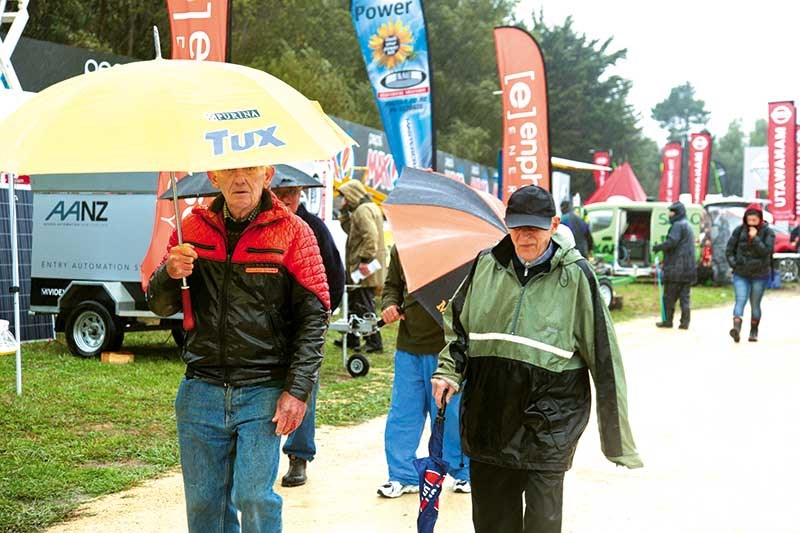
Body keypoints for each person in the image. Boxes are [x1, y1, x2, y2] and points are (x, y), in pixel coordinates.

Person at [431, 185, 642, 533]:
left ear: (554, 224)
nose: (525, 235)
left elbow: (605, 360)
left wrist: (617, 440)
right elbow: (458, 329)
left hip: (549, 420)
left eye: (535, 227)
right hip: (490, 415)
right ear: (506, 223)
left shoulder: (577, 276)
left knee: (543, 523)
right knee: (492, 522)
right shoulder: (485, 265)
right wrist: (449, 371)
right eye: (517, 226)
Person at [147, 165, 330, 533]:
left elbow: (315, 318)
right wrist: (170, 272)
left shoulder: (295, 232)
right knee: (204, 507)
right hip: (201, 389)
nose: (240, 179)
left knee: (253, 497)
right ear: (214, 177)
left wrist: (297, 390)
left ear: (268, 174)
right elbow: (160, 305)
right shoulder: (191, 230)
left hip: (263, 390)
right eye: (229, 171)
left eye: (250, 169)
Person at [377, 245, 470, 498]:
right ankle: (402, 474)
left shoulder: (462, 249)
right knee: (403, 413)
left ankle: (464, 472)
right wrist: (390, 304)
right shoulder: (403, 247)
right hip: (409, 346)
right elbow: (392, 287)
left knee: (452, 413)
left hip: (448, 348)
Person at [272, 173, 346, 488]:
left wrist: (324, 313)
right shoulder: (259, 227)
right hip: (267, 327)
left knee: (304, 389)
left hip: (304, 325)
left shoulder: (315, 228)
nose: (287, 198)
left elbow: (335, 275)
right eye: (281, 191)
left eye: (293, 192)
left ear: (302, 193)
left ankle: (298, 457)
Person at [336, 180, 386, 353]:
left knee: (364, 306)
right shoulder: (369, 207)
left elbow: (370, 237)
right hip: (366, 266)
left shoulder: (362, 211)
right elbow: (352, 230)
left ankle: (374, 341)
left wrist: (365, 260)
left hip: (364, 268)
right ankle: (352, 338)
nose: (342, 200)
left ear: (351, 194)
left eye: (343, 196)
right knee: (355, 302)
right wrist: (343, 212)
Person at [725, 203, 775, 342]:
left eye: (754, 220)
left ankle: (753, 331)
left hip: (760, 275)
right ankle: (736, 329)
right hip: (741, 273)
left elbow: (767, 251)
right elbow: (729, 250)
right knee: (740, 300)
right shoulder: (739, 231)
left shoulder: (768, 232)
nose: (751, 223)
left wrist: (755, 238)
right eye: (749, 220)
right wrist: (735, 264)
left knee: (755, 304)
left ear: (760, 219)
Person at [653, 201, 697, 329]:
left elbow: (672, 242)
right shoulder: (687, 225)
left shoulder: (677, 225)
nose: (669, 214)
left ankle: (668, 321)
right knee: (685, 297)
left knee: (669, 297)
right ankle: (685, 322)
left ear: (677, 213)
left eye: (672, 212)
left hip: (676, 269)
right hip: (688, 269)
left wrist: (658, 247)